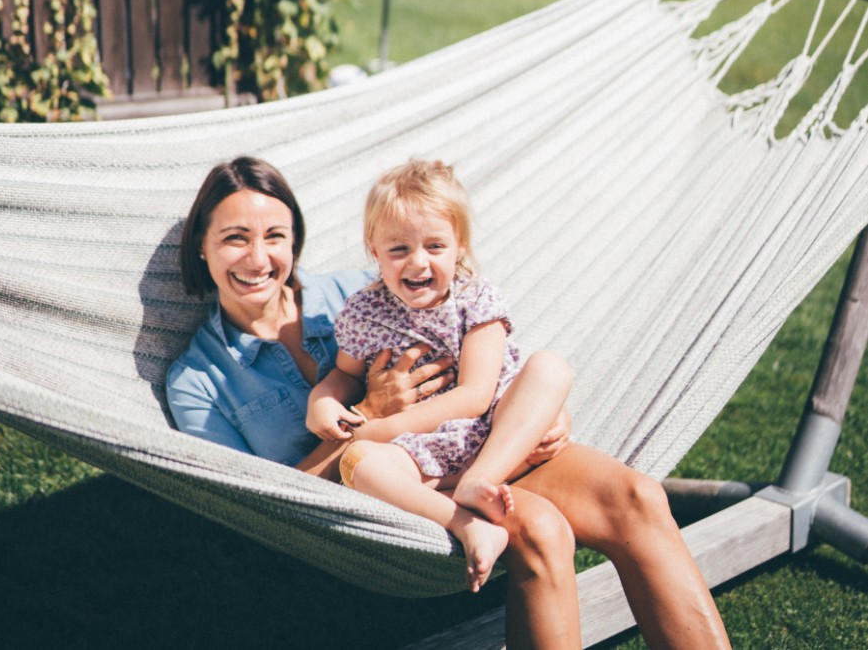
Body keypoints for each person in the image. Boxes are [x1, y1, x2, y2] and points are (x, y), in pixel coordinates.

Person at [166, 156, 731, 649]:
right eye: (235, 237)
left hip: (477, 447)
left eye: (275, 237)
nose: (258, 258)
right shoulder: (197, 381)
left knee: (638, 496)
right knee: (538, 529)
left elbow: (470, 348)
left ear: (295, 241)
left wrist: (536, 409)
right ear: (202, 245)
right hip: (391, 486)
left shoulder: (355, 292)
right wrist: (372, 418)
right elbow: (257, 503)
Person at [304, 160, 570, 593]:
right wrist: (323, 402)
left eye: (434, 246)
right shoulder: (364, 311)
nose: (418, 263)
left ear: (459, 246)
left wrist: (381, 427)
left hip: (493, 438)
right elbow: (344, 375)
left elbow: (476, 397)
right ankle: (466, 523)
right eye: (398, 250)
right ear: (374, 251)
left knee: (550, 368)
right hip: (420, 451)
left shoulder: (475, 300)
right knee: (357, 463)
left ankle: (477, 482)